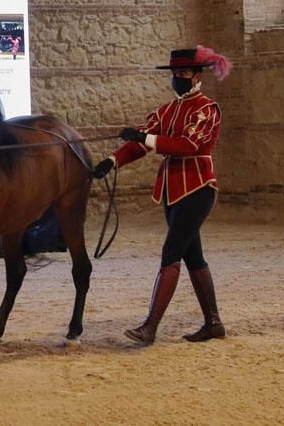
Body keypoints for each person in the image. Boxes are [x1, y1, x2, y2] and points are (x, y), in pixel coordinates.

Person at [91, 45, 232, 345]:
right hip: (172, 190)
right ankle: (213, 322)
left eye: (182, 74)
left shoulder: (207, 109)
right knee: (194, 256)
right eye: (175, 74)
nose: (177, 79)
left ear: (197, 76)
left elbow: (187, 146)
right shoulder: (167, 110)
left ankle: (150, 326)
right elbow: (141, 143)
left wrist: (145, 137)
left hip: (197, 187)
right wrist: (113, 161)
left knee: (172, 253)